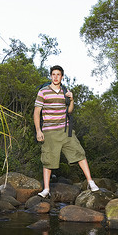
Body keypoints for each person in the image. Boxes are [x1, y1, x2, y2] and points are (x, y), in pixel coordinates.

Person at [34, 65, 99, 198]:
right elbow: (36, 113)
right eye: (53, 74)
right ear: (51, 76)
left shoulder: (65, 91)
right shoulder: (43, 92)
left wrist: (72, 99)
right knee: (48, 159)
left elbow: (69, 111)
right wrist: (38, 131)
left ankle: (90, 182)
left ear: (62, 77)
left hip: (65, 130)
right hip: (49, 131)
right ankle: (46, 189)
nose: (56, 77)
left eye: (58, 74)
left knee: (80, 153)